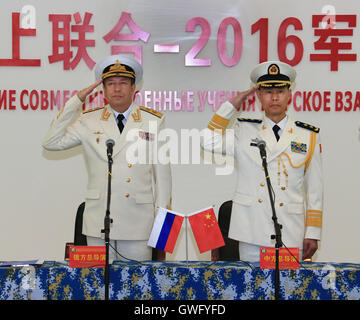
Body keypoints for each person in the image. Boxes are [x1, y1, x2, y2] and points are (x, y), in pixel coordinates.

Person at [42, 55, 172, 261]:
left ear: (134, 88)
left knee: (136, 287)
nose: (117, 89)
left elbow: (163, 178)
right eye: (110, 84)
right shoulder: (88, 120)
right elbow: (51, 142)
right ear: (102, 90)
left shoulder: (153, 121)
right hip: (98, 223)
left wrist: (163, 226)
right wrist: (76, 101)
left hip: (138, 223)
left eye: (123, 83)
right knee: (98, 289)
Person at [202, 60, 323, 262]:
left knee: (288, 291)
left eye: (280, 91)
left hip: (290, 230)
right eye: (268, 92)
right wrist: (233, 104)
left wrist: (313, 232)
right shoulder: (244, 130)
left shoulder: (307, 135)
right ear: (258, 95)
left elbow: (315, 189)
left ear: (289, 94)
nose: (274, 97)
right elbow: (207, 141)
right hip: (251, 231)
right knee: (254, 290)